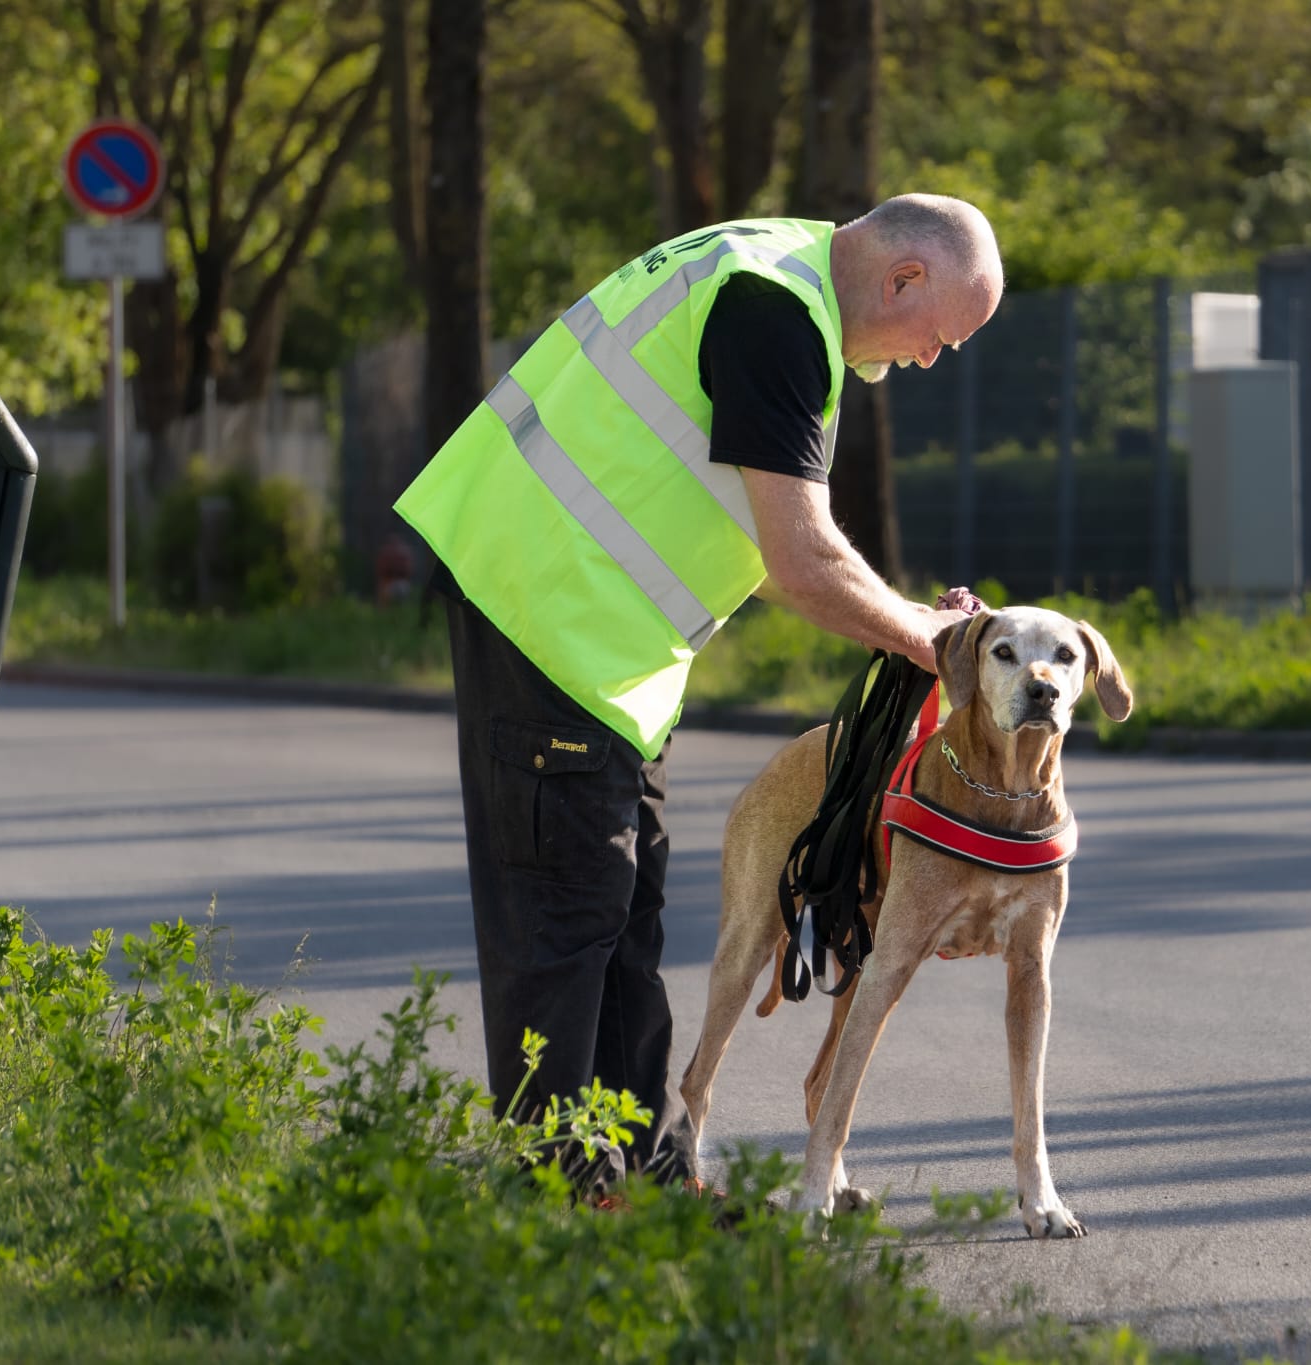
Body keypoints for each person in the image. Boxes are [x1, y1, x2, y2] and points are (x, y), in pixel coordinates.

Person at [393, 194, 1002, 1188]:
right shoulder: (775, 313)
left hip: (589, 636)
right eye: (940, 335)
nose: (932, 360)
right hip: (548, 612)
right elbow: (801, 560)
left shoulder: (774, 274)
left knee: (621, 916)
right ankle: (558, 1207)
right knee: (565, 919)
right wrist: (928, 640)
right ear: (901, 279)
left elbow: (760, 536)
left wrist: (905, 625)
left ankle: (651, 1184)